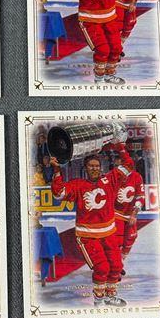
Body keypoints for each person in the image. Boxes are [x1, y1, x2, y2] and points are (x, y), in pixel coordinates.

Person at [50, 124, 133, 306]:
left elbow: (129, 165)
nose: (94, 169)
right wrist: (56, 170)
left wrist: (120, 146)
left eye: (97, 166)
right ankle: (99, 300)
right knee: (102, 268)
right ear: (85, 168)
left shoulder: (110, 179)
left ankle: (110, 296)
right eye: (91, 166)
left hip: (109, 232)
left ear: (101, 167)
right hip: (88, 236)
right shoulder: (78, 185)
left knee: (116, 266)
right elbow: (58, 193)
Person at [113, 153, 145, 275]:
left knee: (131, 237)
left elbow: (140, 196)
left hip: (130, 212)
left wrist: (134, 214)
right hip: (115, 213)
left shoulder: (137, 177)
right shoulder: (111, 177)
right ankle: (115, 268)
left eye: (121, 166)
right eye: (116, 166)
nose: (118, 169)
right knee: (117, 240)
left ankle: (119, 261)